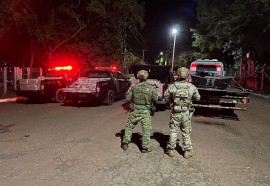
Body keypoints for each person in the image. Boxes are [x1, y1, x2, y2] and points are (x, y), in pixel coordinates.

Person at [164, 67, 200, 159]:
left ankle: (171, 150)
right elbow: (197, 98)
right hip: (186, 113)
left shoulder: (173, 86)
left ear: (178, 75)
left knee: (173, 131)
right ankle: (187, 152)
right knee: (186, 132)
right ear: (187, 75)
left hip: (175, 112)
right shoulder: (192, 87)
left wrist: (172, 101)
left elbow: (166, 97)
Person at [122, 70, 158, 153]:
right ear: (146, 77)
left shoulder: (133, 87)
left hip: (135, 110)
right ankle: (145, 148)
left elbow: (127, 99)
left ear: (138, 77)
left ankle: (125, 143)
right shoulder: (151, 88)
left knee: (129, 127)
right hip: (145, 111)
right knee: (146, 129)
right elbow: (156, 99)